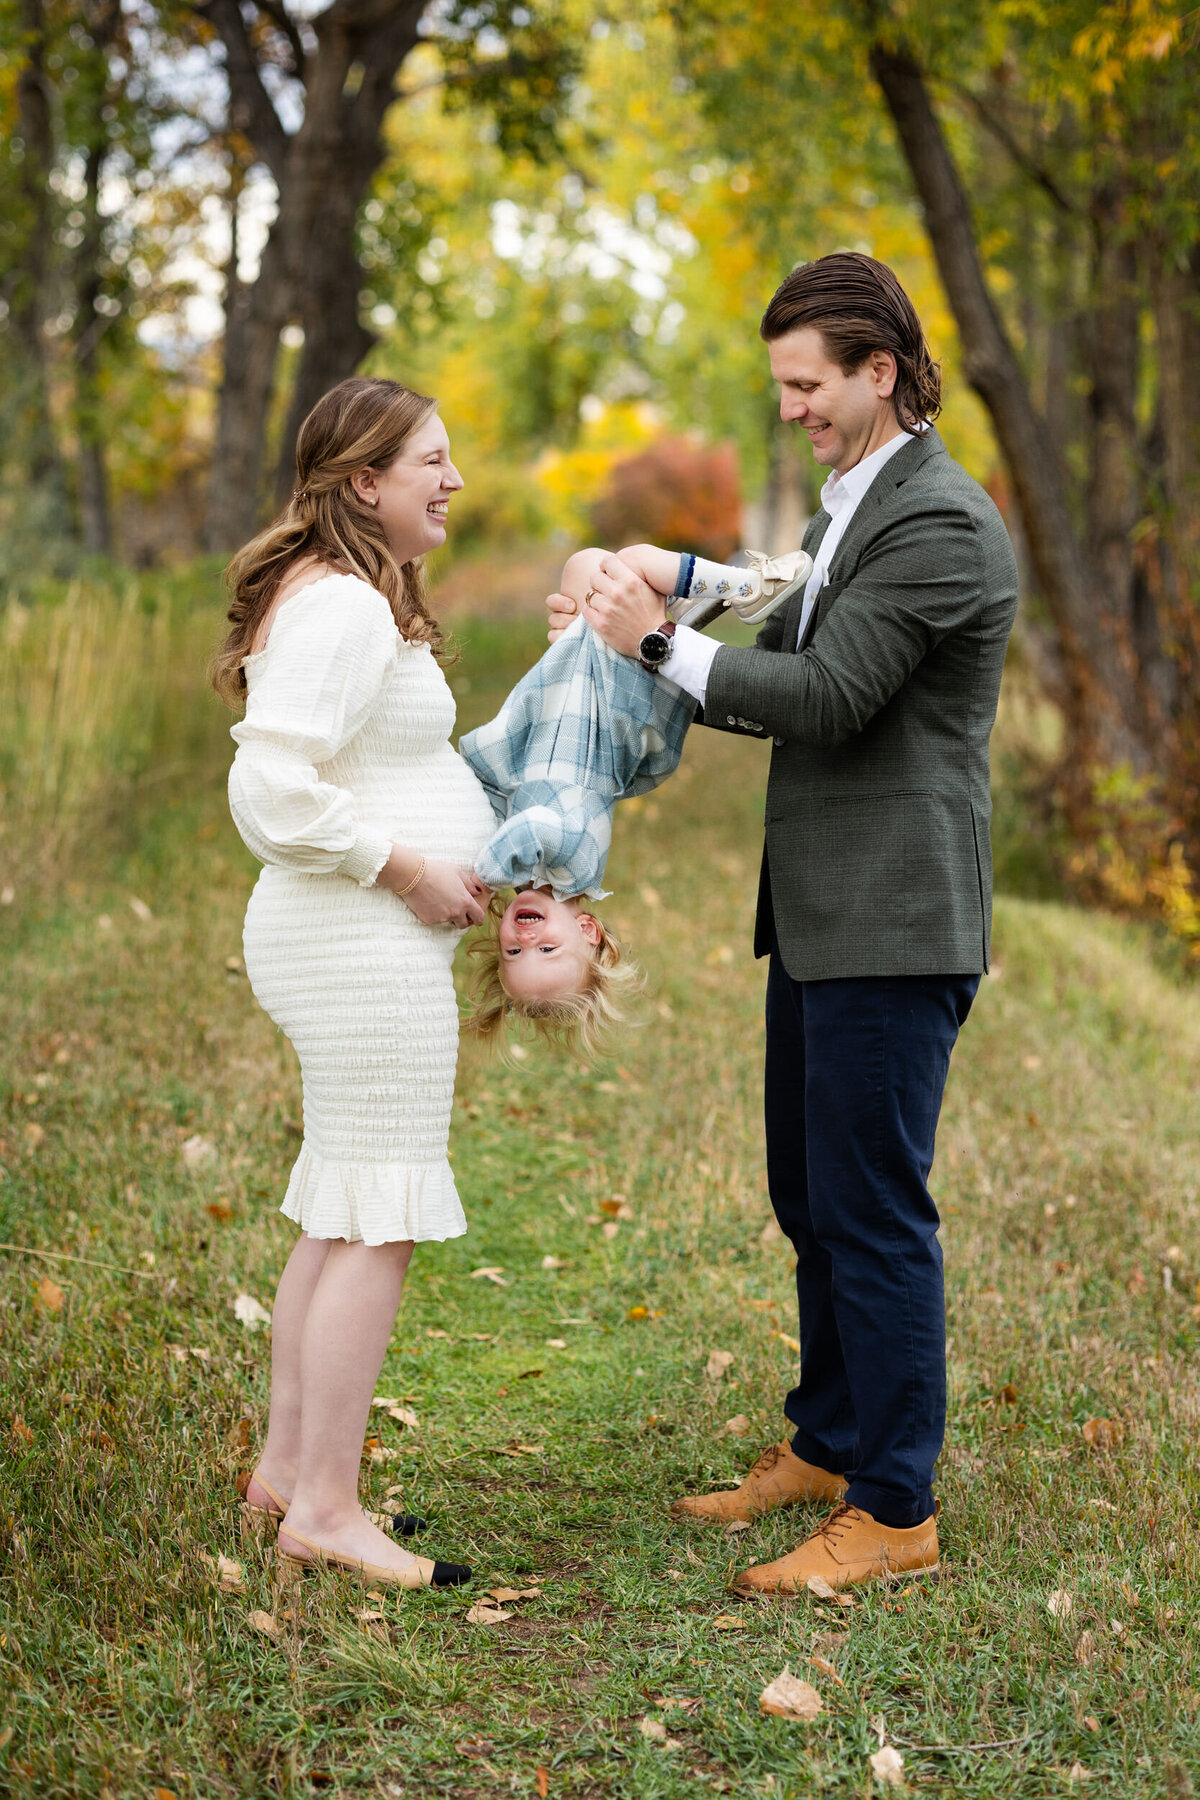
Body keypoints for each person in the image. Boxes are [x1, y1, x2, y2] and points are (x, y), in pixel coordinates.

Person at [548, 252, 1019, 1594]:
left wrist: (653, 640)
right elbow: (786, 597)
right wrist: (673, 575)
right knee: (809, 1196)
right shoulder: (857, 500)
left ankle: (895, 1507)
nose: (791, 409)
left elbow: (825, 692)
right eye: (780, 387)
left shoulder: (942, 523)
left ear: (881, 369)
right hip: (824, 912)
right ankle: (826, 1441)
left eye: (808, 385)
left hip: (896, 916)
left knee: (874, 1212)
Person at [212, 375, 495, 1589]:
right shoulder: (344, 610)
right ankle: (326, 1505)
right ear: (363, 482)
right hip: (355, 938)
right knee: (380, 1214)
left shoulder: (342, 596)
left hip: (344, 935)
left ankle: (288, 1471)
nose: (453, 479)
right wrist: (407, 868)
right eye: (428, 459)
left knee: (344, 1207)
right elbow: (269, 790)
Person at [463, 541, 811, 1053]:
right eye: (548, 950)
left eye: (513, 953)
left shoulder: (533, 870)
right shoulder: (572, 862)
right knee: (619, 564)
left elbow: (498, 792)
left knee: (587, 575)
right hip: (603, 707)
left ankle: (686, 612)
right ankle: (747, 588)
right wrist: (480, 879)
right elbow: (535, 826)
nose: (526, 941)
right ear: (587, 930)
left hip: (575, 700)